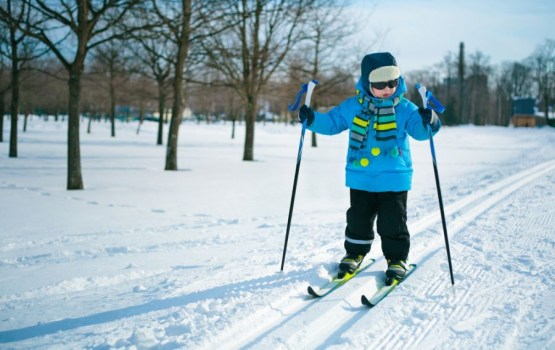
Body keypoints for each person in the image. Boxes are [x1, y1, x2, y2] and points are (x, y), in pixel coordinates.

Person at [298, 52, 440, 285]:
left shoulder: (404, 108)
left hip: (393, 178)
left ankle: (396, 259)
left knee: (392, 222)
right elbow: (333, 123)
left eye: (393, 82)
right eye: (380, 84)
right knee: (358, 220)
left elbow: (421, 132)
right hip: (361, 177)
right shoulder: (354, 106)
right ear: (367, 83)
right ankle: (355, 253)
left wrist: (430, 120)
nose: (388, 88)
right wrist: (312, 119)